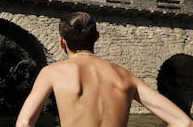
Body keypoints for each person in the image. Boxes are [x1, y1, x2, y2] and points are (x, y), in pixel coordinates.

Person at [16, 11, 193, 127]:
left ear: (62, 42)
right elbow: (183, 122)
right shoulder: (126, 76)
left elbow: (24, 124)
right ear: (97, 38)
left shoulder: (52, 73)